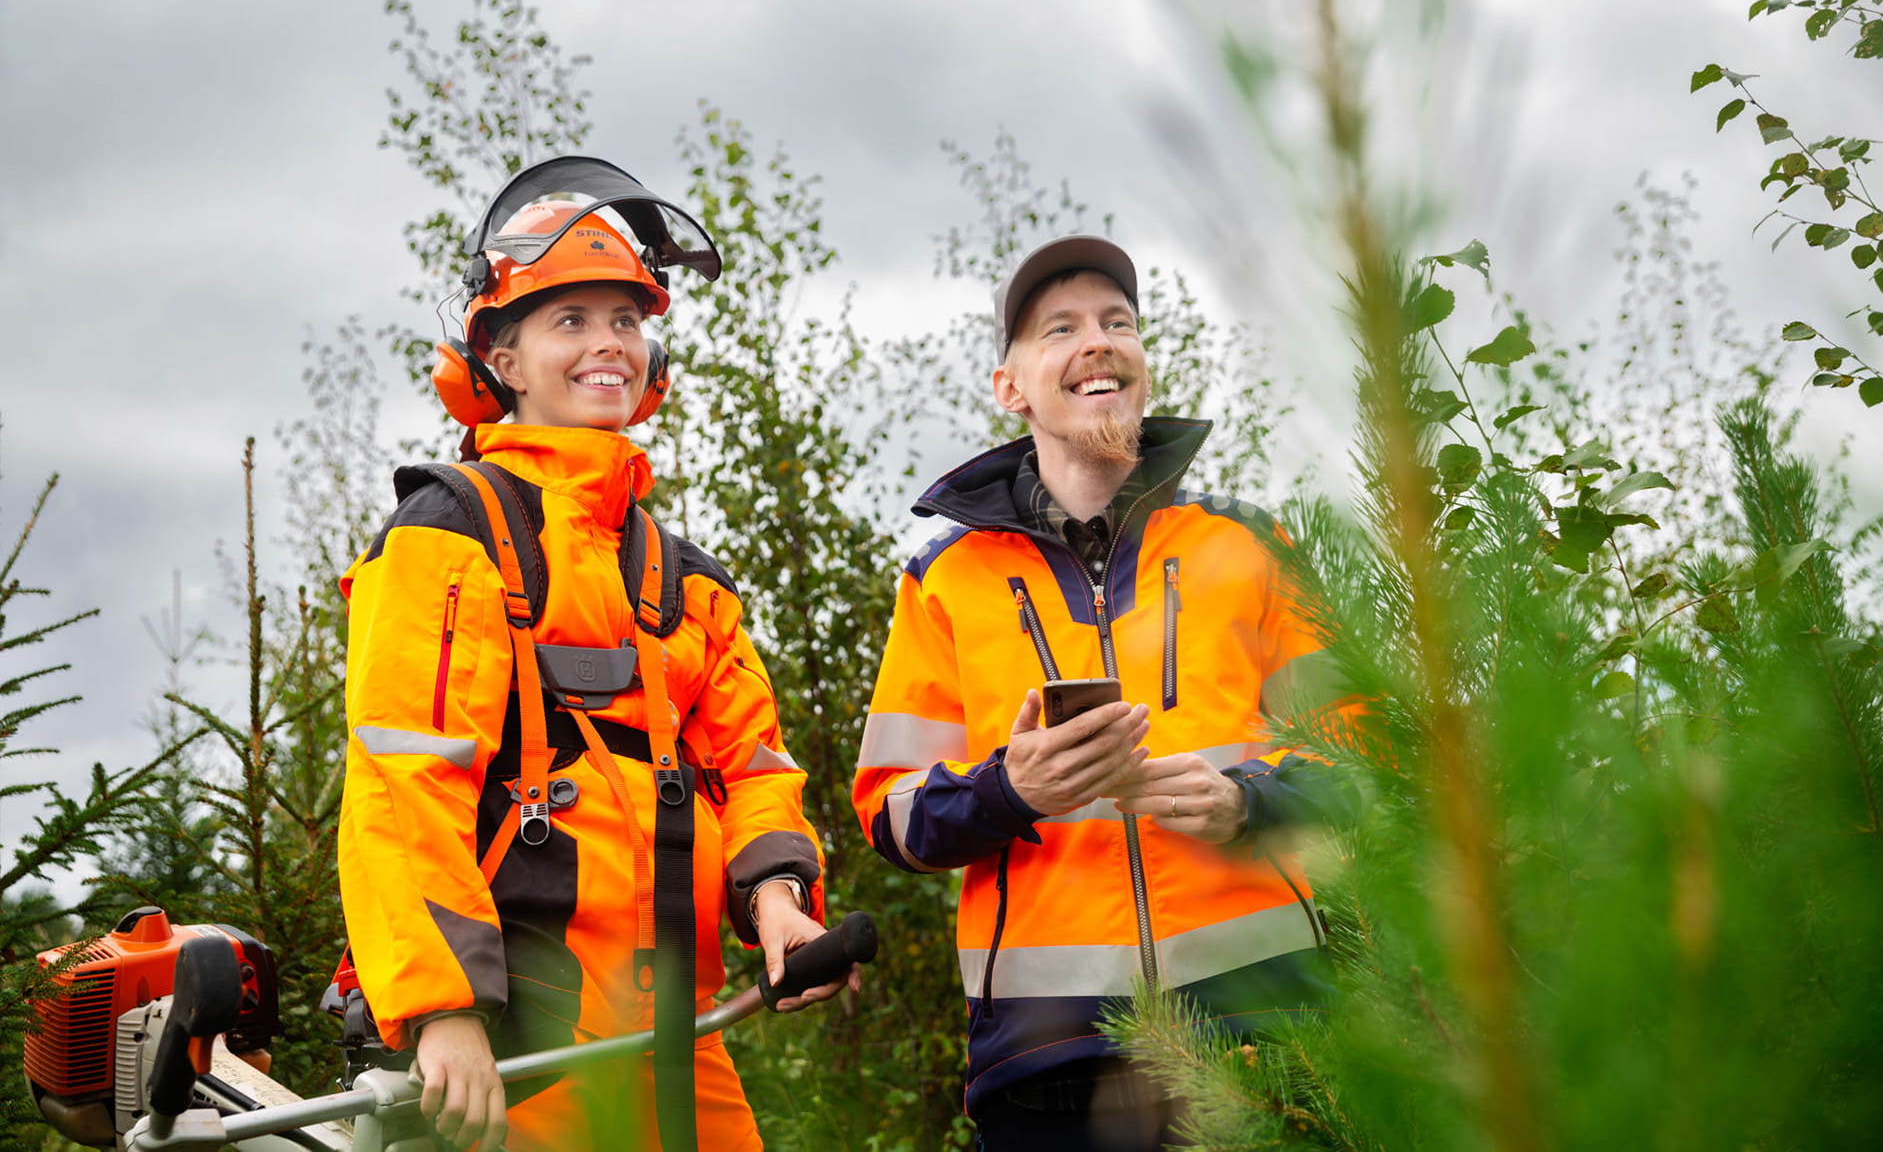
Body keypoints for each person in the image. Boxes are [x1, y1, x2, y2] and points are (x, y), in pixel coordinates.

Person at [338, 156, 851, 1152]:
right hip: (515, 1040)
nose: (607, 343)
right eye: (569, 321)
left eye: (625, 320)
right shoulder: (451, 533)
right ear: (500, 360)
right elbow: (403, 782)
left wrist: (782, 905)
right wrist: (442, 1013)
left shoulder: (682, 577)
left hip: (675, 1038)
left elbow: (754, 767)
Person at [853, 235, 1352, 1150]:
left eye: (1119, 322)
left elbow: (1365, 759)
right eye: (1062, 328)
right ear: (1012, 387)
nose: (1099, 341)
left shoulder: (1250, 546)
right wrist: (1011, 790)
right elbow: (891, 816)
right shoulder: (943, 583)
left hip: (1272, 1034)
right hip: (1046, 1072)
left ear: (1143, 365)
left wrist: (1249, 801)